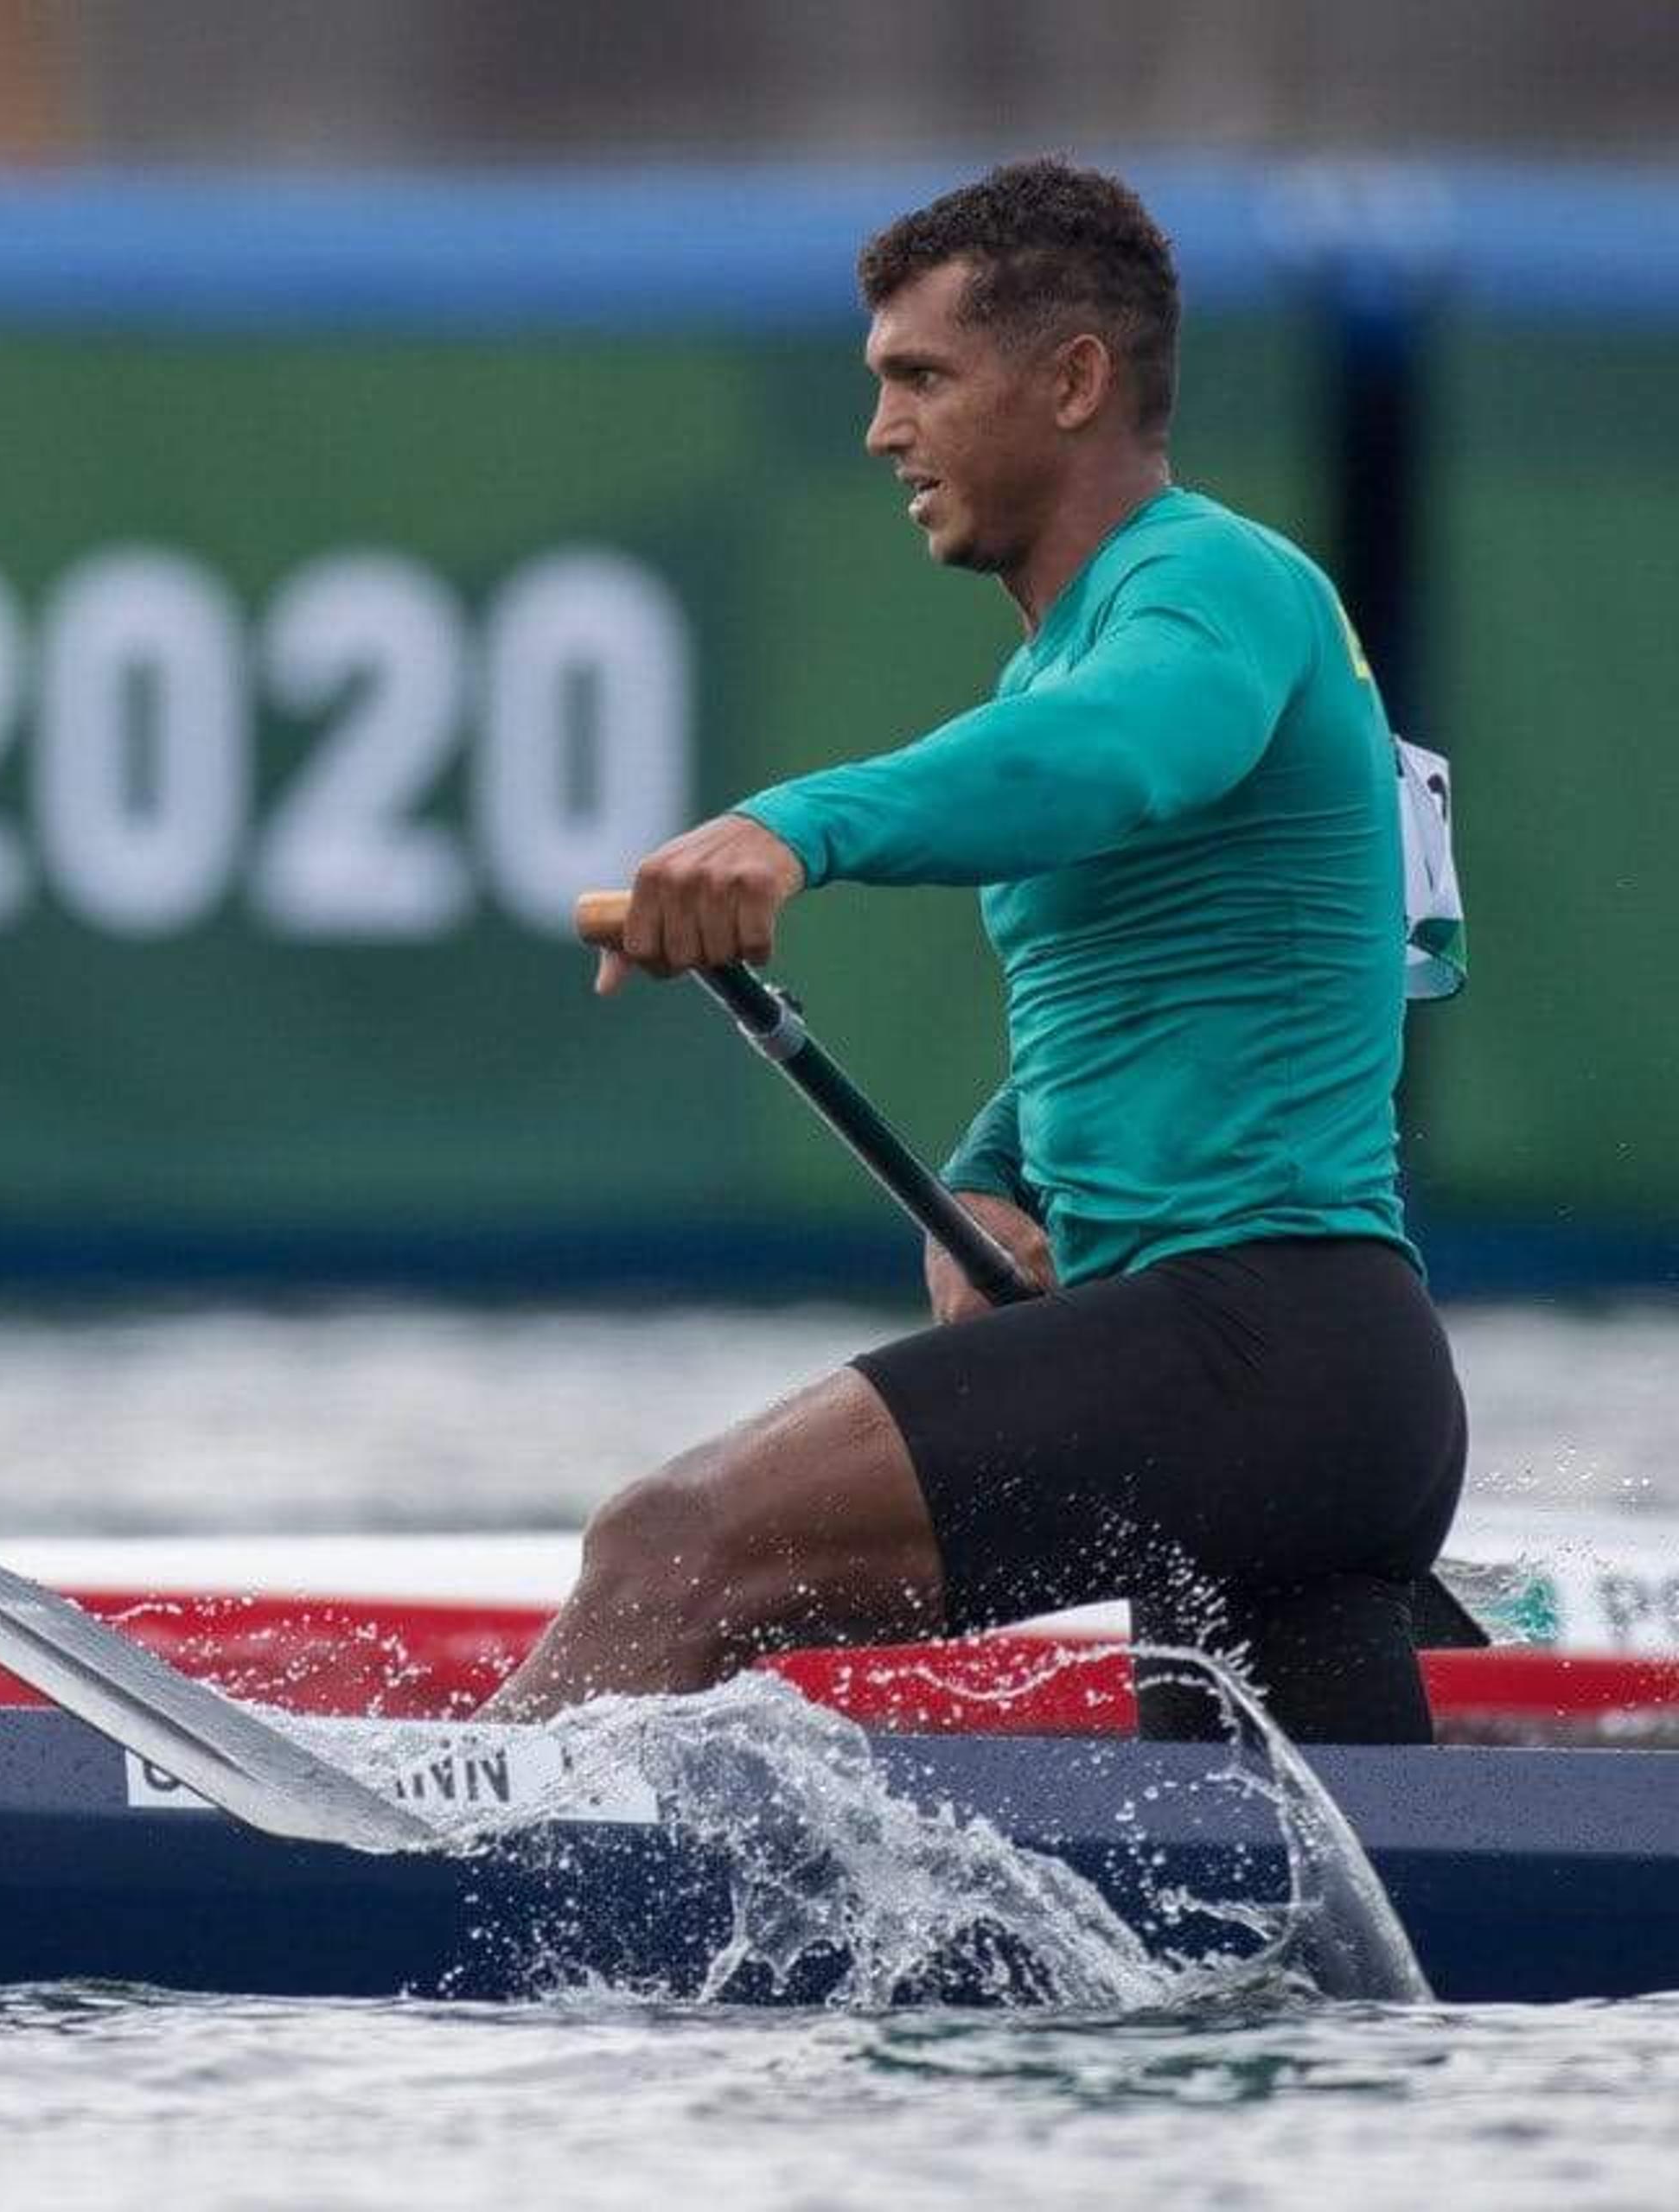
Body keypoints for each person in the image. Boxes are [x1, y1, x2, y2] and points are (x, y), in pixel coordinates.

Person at [480, 159, 1464, 1743]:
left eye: (920, 378)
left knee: (671, 1548)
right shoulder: (1074, 660)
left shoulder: (1209, 583)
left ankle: (418, 1877)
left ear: (1073, 380)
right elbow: (1161, 990)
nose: (884, 431)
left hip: (1260, 1345)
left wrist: (797, 824)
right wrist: (999, 1170)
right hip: (1302, 1394)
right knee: (1294, 1960)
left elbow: (1124, 752)